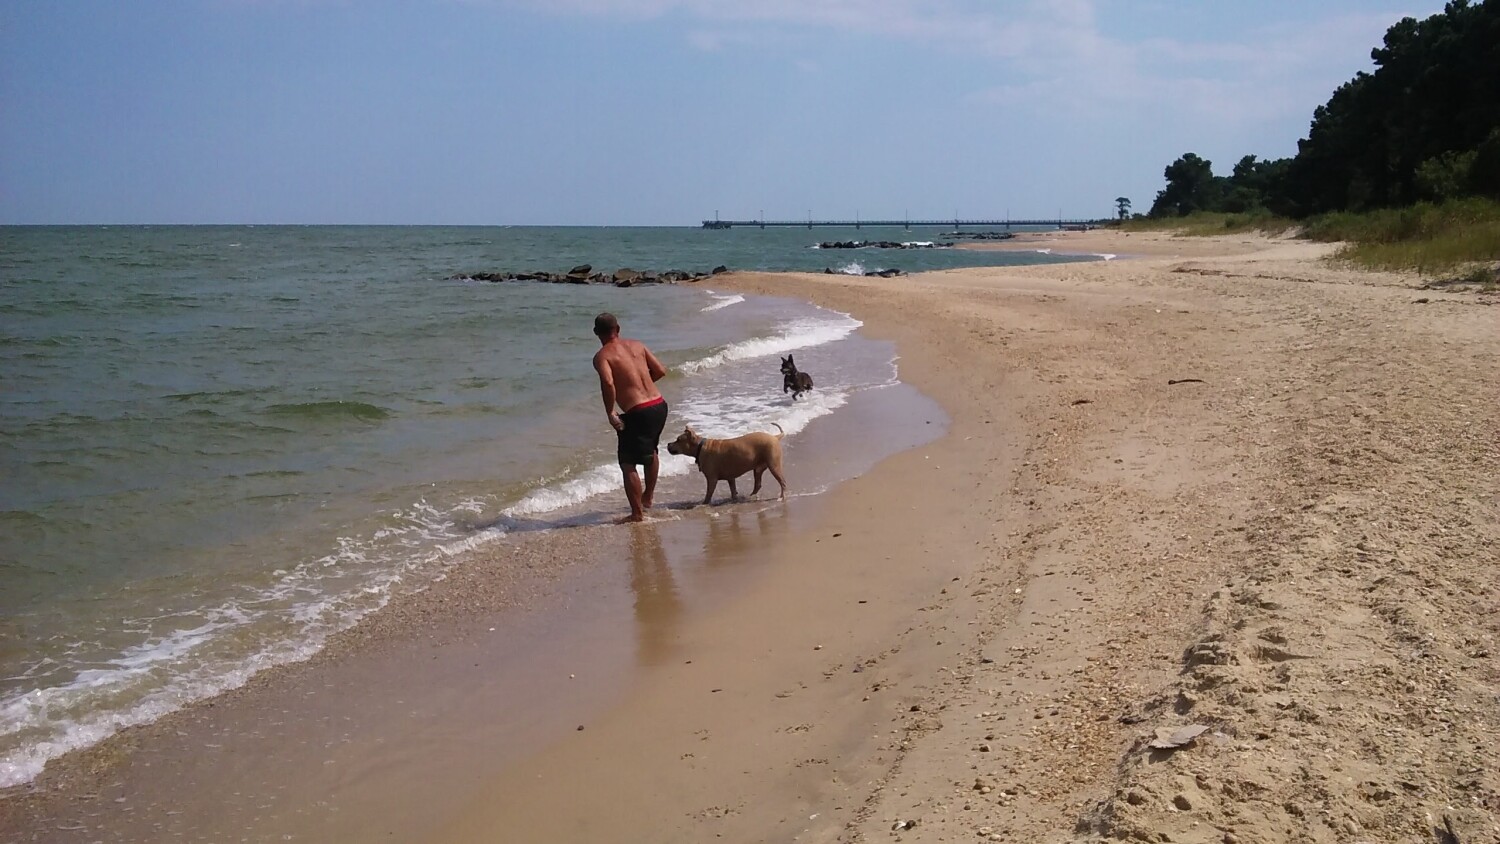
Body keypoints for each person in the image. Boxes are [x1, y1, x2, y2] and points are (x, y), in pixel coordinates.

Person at [591, 312, 668, 522]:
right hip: (659, 405)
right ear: (618, 329)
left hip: (639, 412)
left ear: (596, 332)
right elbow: (660, 370)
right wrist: (642, 386)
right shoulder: (638, 345)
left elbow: (608, 382)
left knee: (627, 462)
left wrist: (610, 411)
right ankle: (648, 498)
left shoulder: (602, 356)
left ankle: (637, 513)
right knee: (651, 451)